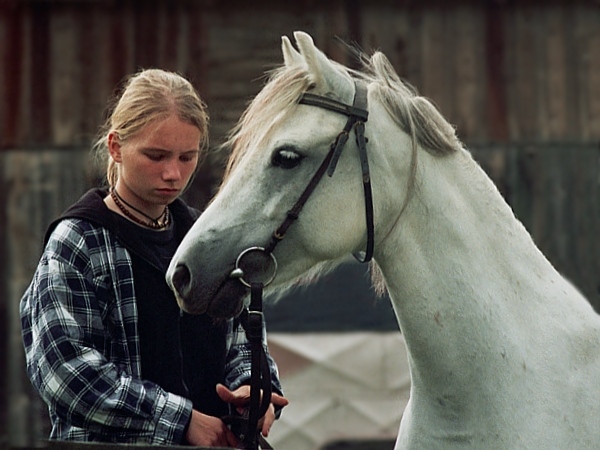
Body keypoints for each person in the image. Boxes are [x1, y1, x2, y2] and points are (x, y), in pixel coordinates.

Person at [20, 68, 288, 447]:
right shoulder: (78, 241)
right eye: (156, 155)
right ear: (115, 147)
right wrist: (181, 421)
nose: (172, 173)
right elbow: (66, 372)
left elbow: (244, 335)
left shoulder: (205, 240)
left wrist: (253, 388)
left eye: (186, 157)